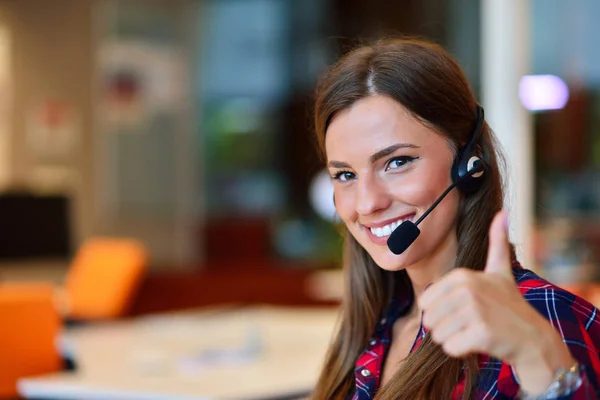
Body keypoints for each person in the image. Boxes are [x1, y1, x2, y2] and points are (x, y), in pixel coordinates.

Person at [310, 37, 600, 400]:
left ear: (468, 164)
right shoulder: (379, 327)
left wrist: (537, 355)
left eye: (397, 162)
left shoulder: (538, 317)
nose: (367, 203)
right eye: (346, 175)